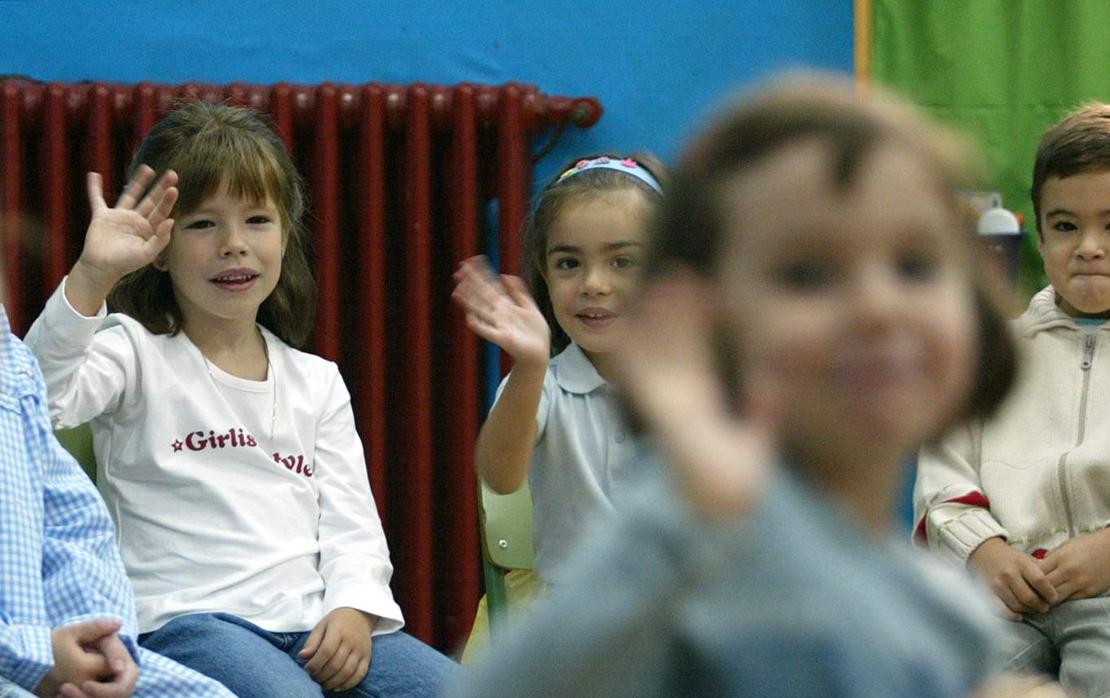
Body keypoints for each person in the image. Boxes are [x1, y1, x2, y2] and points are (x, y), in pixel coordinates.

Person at [449, 72, 1022, 696]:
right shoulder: (675, 627)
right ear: (701, 312)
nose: (877, 306)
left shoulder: (949, 623)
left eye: (915, 263)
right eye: (807, 273)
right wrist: (678, 516)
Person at [23, 102, 457, 698]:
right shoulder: (132, 351)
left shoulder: (317, 380)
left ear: (286, 232)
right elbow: (30, 402)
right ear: (161, 247)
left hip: (313, 623)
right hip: (186, 622)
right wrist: (92, 276)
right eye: (203, 225)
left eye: (257, 220)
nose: (234, 245)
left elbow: (353, 526)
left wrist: (355, 607)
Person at [916, 102, 1110, 697]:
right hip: (1005, 595)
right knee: (951, 674)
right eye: (1065, 226)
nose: (1088, 246)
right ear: (1038, 229)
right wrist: (983, 550)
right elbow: (942, 477)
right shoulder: (991, 350)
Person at [452, 153, 665, 587]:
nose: (594, 285)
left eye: (623, 261)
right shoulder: (541, 384)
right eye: (569, 263)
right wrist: (530, 363)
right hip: (575, 620)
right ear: (545, 276)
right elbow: (498, 475)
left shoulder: (699, 385)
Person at [0, 306, 231, 696]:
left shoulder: (9, 356)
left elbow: (70, 521)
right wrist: (28, 655)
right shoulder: (130, 350)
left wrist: (97, 636)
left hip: (56, 652)